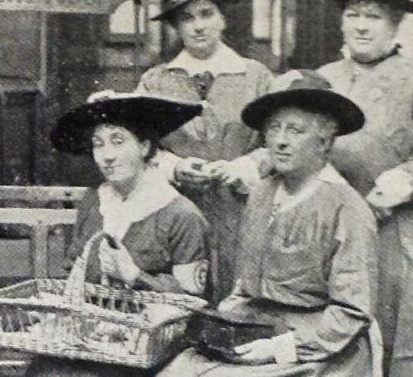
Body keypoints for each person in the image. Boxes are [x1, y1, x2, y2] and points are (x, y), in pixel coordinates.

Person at [217, 0, 413, 376]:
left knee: (405, 343)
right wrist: (250, 164)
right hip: (329, 229)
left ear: (396, 25)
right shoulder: (324, 78)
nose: (361, 26)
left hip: (400, 236)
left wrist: (407, 178)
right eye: (353, 15)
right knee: (337, 342)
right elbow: (296, 140)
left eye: (373, 16)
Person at [160, 70, 379, 376]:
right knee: (176, 369)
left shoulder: (347, 209)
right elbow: (244, 288)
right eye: (274, 128)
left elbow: (351, 314)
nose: (280, 141)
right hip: (255, 331)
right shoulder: (262, 193)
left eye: (295, 130)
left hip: (320, 350)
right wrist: (226, 319)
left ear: (325, 141)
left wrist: (279, 348)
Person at [28, 93, 209, 377]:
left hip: (149, 350)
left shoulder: (182, 215)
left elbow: (194, 303)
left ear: (145, 146)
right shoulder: (93, 201)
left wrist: (135, 275)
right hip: (88, 338)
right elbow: (74, 269)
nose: (107, 156)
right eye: (98, 145)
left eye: (118, 141)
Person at [131, 0, 273, 301]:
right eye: (186, 18)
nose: (198, 26)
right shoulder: (156, 81)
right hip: (177, 217)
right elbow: (137, 145)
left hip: (244, 215)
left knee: (240, 304)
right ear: (177, 27)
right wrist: (174, 167)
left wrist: (246, 167)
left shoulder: (256, 78)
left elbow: (280, 144)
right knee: (181, 303)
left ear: (223, 18)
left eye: (206, 14)